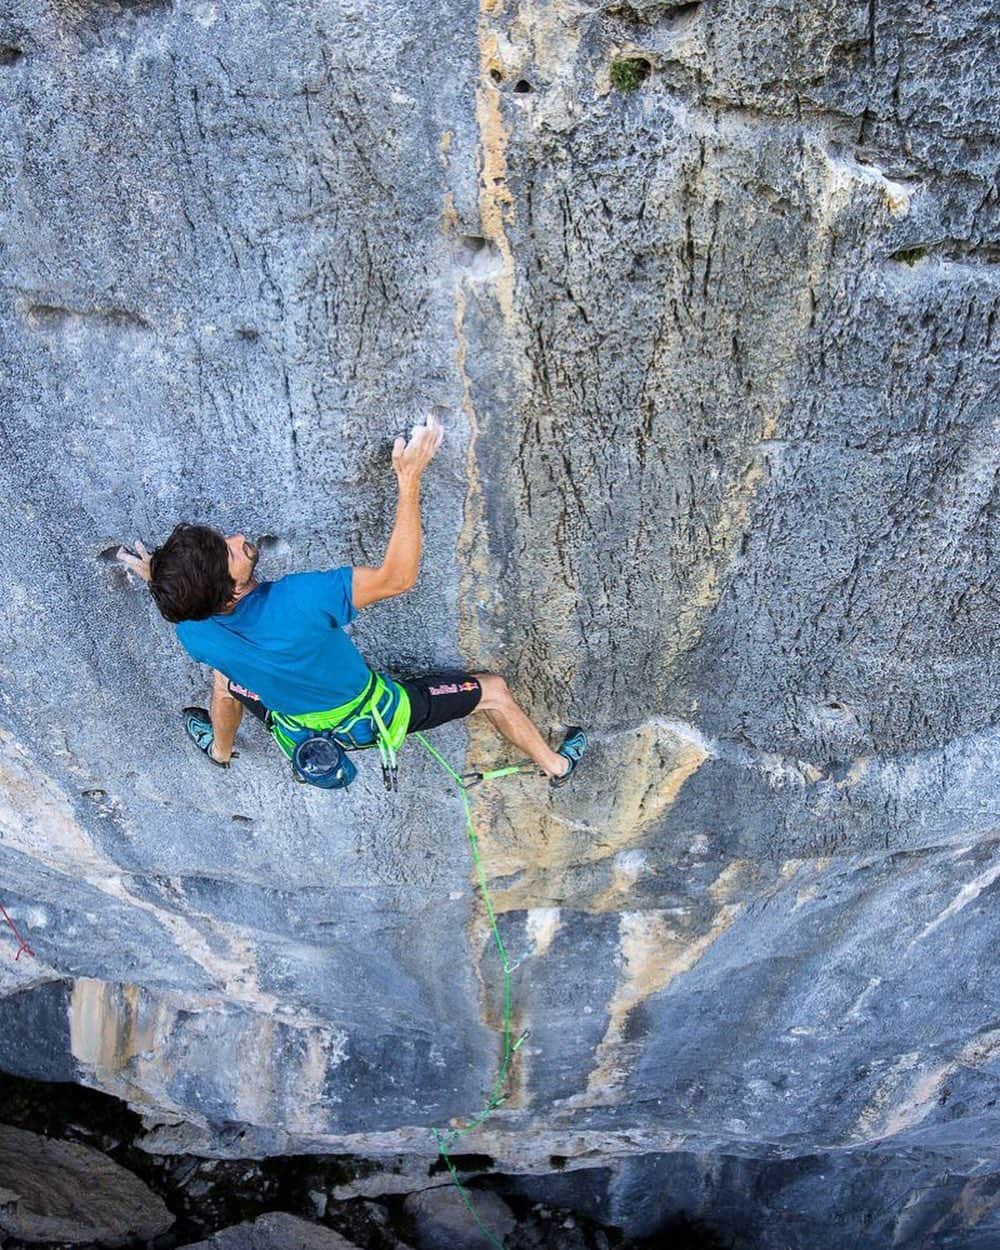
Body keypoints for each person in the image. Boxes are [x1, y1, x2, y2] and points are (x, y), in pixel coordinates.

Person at [117, 414, 586, 788]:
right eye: (232, 551)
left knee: (224, 681)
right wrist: (410, 480)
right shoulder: (300, 600)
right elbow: (397, 579)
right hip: (377, 714)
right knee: (494, 691)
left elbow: (184, 601)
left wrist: (158, 575)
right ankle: (557, 767)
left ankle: (220, 752)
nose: (240, 538)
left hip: (292, 725)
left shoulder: (192, 627)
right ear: (233, 589)